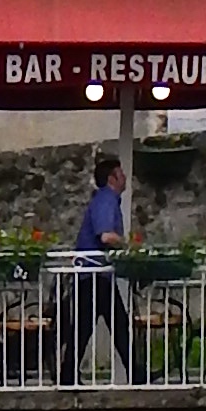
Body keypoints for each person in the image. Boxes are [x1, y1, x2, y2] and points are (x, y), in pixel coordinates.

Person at [63, 151, 125, 380]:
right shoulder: (106, 200)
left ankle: (68, 374)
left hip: (94, 273)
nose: (125, 177)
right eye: (121, 174)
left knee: (92, 326)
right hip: (95, 273)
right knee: (113, 325)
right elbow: (106, 236)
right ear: (112, 178)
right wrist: (128, 245)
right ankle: (137, 373)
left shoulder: (105, 200)